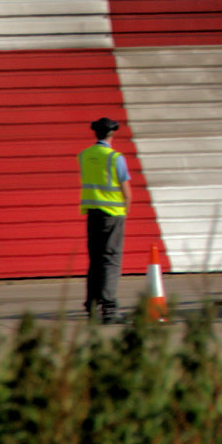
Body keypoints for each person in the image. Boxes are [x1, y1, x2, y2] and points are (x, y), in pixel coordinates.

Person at [78, 117, 130, 323]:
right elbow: (127, 192)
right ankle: (109, 310)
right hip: (113, 214)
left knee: (96, 260)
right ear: (113, 133)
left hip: (92, 213)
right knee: (111, 260)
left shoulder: (84, 155)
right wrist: (124, 212)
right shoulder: (115, 158)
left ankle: (91, 305)